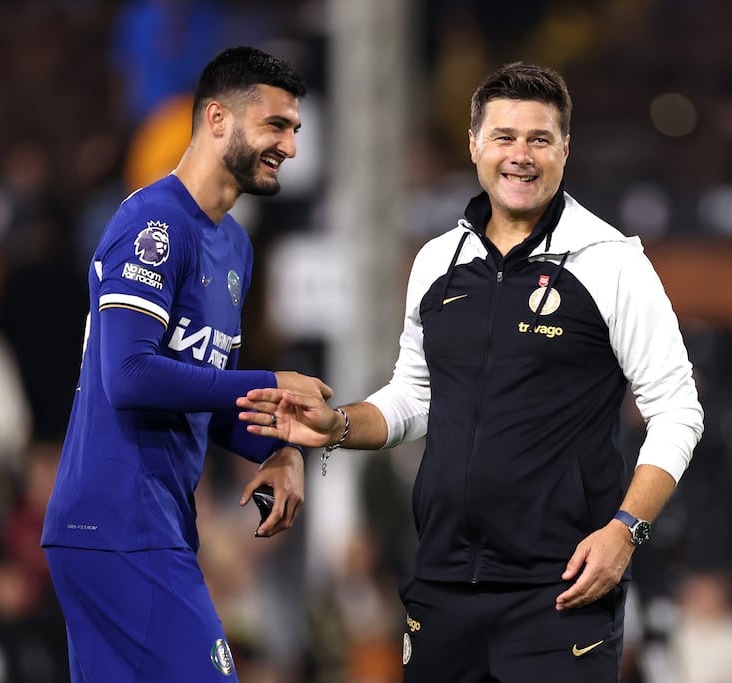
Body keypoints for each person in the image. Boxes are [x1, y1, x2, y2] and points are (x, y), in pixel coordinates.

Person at [238, 62, 704, 682]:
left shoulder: (612, 262)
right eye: (505, 137)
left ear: (566, 149)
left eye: (540, 139)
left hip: (561, 593)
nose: (522, 156)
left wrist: (626, 529)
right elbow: (413, 396)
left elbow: (678, 409)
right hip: (441, 586)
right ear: (474, 145)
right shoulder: (437, 262)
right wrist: (340, 423)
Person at [41, 46, 330, 682]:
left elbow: (202, 394)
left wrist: (275, 448)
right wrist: (272, 384)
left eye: (294, 129)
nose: (289, 146)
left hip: (150, 523)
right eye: (275, 126)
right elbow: (130, 377)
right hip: (116, 522)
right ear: (218, 119)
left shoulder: (235, 245)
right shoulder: (153, 221)